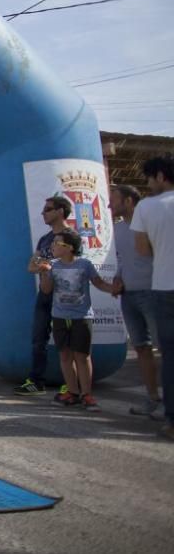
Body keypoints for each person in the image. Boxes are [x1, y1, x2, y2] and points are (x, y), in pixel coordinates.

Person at [35, 227, 115, 411]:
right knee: (64, 356)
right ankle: (72, 392)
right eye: (53, 243)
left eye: (57, 243)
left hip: (82, 317)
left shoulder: (85, 265)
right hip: (60, 316)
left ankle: (87, 394)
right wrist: (45, 272)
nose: (53, 246)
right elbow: (46, 290)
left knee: (82, 356)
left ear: (70, 247)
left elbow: (99, 283)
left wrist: (114, 289)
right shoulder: (53, 265)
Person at [130, 155, 174, 440]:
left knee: (169, 355)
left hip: (165, 286)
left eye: (148, 178)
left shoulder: (147, 206)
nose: (147, 184)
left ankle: (171, 421)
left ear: (159, 176)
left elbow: (143, 250)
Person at [109, 184, 161, 418]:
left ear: (129, 201)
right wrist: (118, 277)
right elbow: (122, 259)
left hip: (153, 293)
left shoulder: (151, 221)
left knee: (166, 349)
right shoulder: (118, 229)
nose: (110, 204)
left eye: (114, 199)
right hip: (128, 295)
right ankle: (152, 399)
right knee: (141, 348)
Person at [15, 194, 74, 396]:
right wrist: (43, 267)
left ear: (60, 211)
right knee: (38, 338)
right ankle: (36, 380)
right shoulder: (45, 239)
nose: (43, 213)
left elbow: (73, 264)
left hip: (65, 297)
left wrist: (47, 266)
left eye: (47, 209)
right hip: (45, 293)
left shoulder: (71, 236)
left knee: (66, 342)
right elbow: (32, 265)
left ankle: (71, 384)